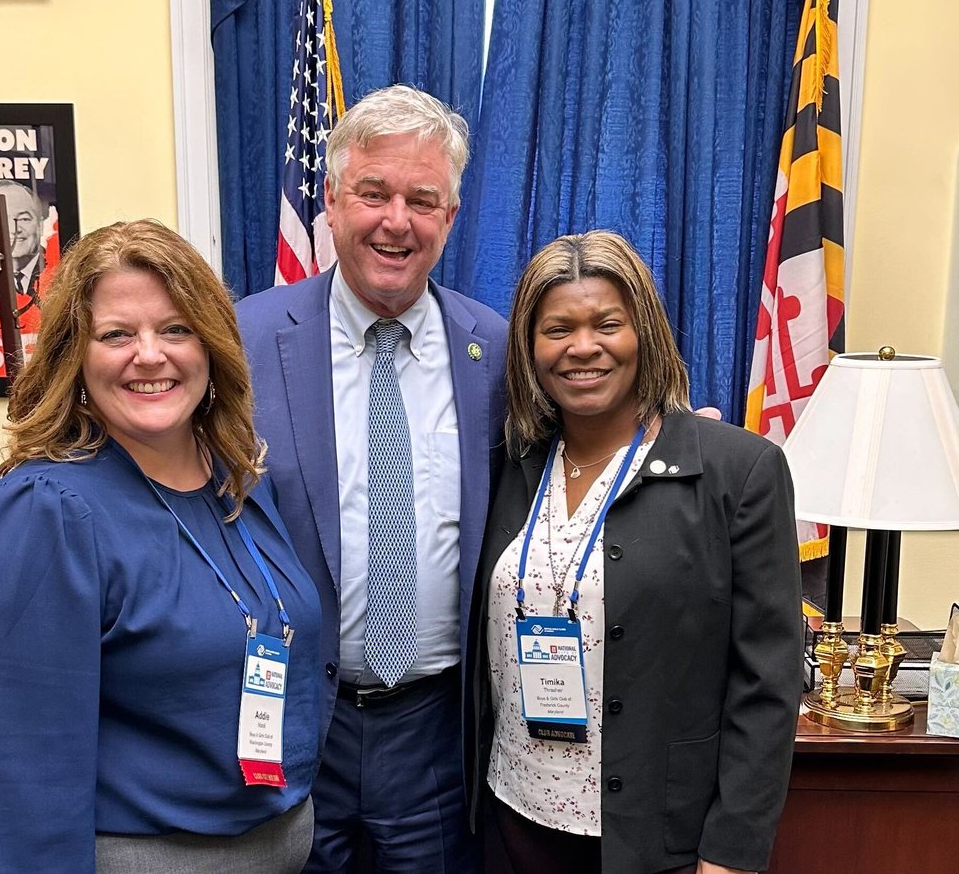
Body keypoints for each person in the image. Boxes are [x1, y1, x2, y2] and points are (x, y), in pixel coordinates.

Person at [0, 220, 322, 873]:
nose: (150, 355)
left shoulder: (237, 479)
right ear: (73, 357)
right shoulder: (46, 517)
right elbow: (16, 793)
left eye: (175, 328)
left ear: (212, 346)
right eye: (116, 334)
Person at [236, 85, 507, 872]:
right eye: (374, 193)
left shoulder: (492, 349)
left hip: (433, 730)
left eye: (423, 200)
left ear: (450, 217)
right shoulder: (245, 339)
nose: (397, 221)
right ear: (330, 202)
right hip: (287, 720)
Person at [473, 231, 802, 874]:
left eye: (607, 324)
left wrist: (732, 850)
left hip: (657, 838)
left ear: (643, 332)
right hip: (514, 816)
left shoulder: (737, 472)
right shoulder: (510, 465)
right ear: (529, 348)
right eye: (557, 329)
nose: (583, 347)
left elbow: (769, 681)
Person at [0, 179, 51, 299]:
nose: (14, 229)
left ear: (40, 225)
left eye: (24, 219)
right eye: (3, 219)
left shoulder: (57, 272)